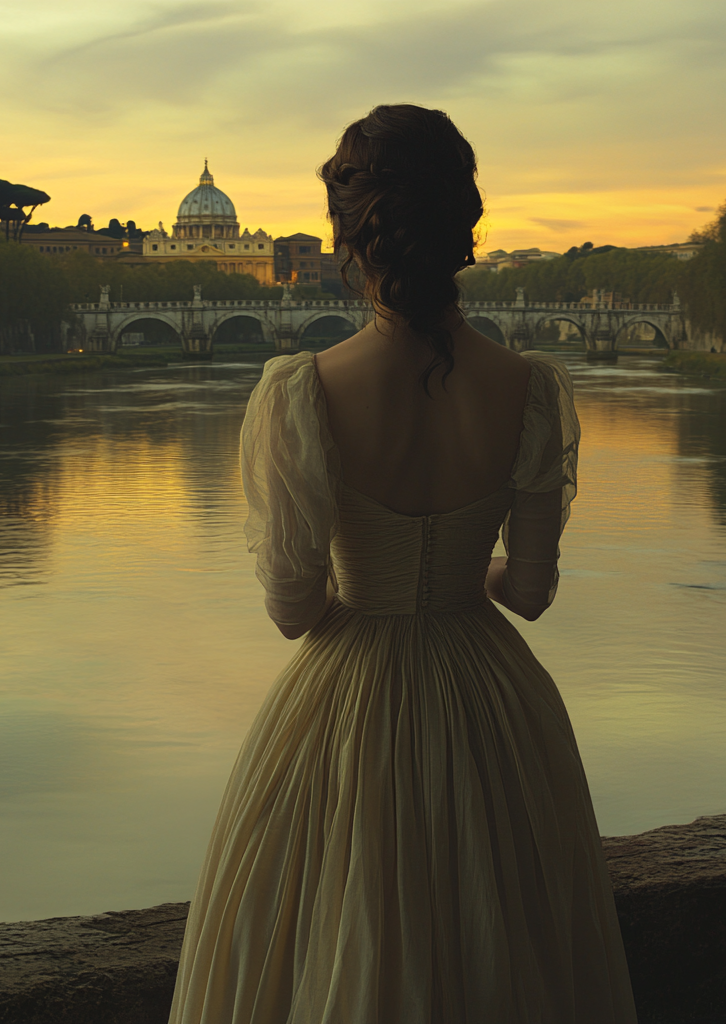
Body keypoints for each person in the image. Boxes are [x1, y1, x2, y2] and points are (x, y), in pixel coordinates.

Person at [168, 104, 638, 1024]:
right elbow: (531, 594)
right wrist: (465, 582)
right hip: (493, 699)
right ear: (464, 224)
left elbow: (296, 609)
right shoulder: (534, 389)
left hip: (347, 703)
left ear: (352, 238)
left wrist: (379, 578)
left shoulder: (300, 392)